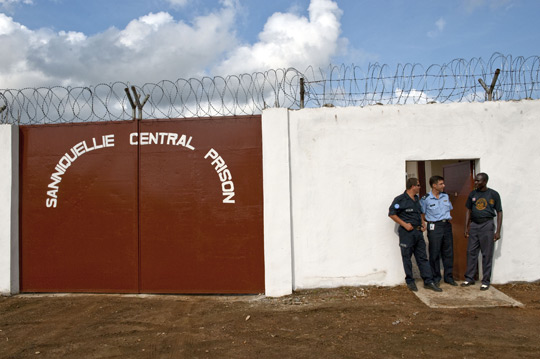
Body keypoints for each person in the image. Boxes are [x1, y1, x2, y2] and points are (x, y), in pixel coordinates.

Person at [388, 177, 442, 292]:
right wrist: (404, 224)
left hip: (418, 232)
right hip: (407, 233)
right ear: (413, 186)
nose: (419, 187)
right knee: (407, 257)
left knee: (422, 257)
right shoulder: (400, 199)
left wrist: (423, 223)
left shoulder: (416, 199)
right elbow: (392, 214)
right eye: (418, 185)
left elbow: (419, 213)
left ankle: (428, 281)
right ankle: (410, 281)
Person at [462, 173, 503, 290]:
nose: (475, 183)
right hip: (475, 224)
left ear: (485, 181)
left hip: (487, 224)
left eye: (478, 181)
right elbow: (468, 210)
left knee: (487, 253)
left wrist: (498, 230)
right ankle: (469, 278)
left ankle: (485, 281)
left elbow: (499, 212)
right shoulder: (473, 194)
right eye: (475, 180)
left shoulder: (493, 194)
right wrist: (466, 227)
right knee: (471, 252)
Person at [420, 175, 458, 287]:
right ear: (434, 185)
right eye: (441, 184)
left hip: (446, 225)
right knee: (434, 253)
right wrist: (424, 224)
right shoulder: (425, 199)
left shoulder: (445, 196)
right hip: (434, 227)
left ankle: (449, 277)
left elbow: (449, 209)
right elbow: (422, 213)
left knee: (448, 252)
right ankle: (436, 277)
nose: (443, 185)